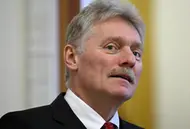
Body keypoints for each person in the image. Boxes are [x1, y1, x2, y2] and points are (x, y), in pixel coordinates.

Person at [0, 0, 145, 128]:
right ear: (72, 57)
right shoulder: (21, 125)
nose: (130, 60)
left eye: (136, 53)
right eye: (111, 47)